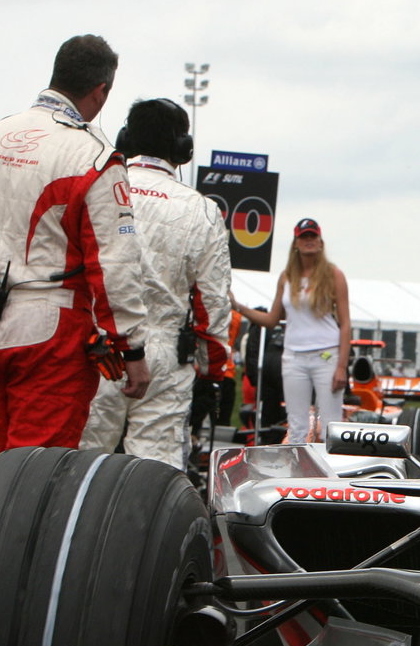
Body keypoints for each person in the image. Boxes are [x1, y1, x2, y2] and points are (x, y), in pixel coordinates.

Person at [0, 34, 151, 471]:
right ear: (101, 91)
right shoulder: (94, 155)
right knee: (34, 474)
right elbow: (114, 265)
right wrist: (130, 349)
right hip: (51, 331)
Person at [81, 98, 230, 471]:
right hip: (165, 353)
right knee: (153, 475)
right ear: (183, 150)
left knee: (78, 465)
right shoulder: (202, 210)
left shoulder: (98, 190)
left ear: (125, 139)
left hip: (100, 349)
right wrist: (212, 372)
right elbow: (212, 306)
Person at [233, 219, 350, 443]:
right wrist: (239, 307)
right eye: (304, 237)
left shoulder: (334, 275)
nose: (309, 241)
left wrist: (342, 367)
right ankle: (298, 474)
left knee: (329, 425)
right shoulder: (287, 277)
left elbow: (345, 323)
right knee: (296, 426)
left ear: (320, 242)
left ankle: (332, 475)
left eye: (312, 236)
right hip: (293, 356)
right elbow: (271, 319)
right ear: (295, 243)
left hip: (326, 355)